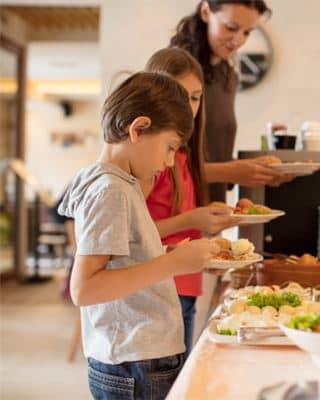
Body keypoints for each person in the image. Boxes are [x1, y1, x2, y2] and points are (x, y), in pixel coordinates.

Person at [58, 71, 219, 400]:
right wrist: (170, 265)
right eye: (170, 147)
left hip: (136, 358)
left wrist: (167, 252)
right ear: (139, 129)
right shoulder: (111, 190)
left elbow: (119, 258)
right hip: (135, 362)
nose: (170, 162)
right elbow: (85, 288)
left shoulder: (115, 183)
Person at [143, 47, 239, 360]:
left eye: (195, 97)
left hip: (183, 288)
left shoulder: (183, 154)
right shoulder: (152, 158)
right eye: (178, 96)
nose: (188, 107)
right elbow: (133, 236)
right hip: (154, 293)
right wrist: (193, 221)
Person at [171, 0, 293, 203]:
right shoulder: (178, 72)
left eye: (247, 32)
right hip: (179, 213)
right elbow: (165, 168)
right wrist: (232, 171)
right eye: (231, 27)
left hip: (212, 212)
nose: (238, 40)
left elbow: (216, 160)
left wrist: (256, 171)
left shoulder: (227, 76)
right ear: (205, 11)